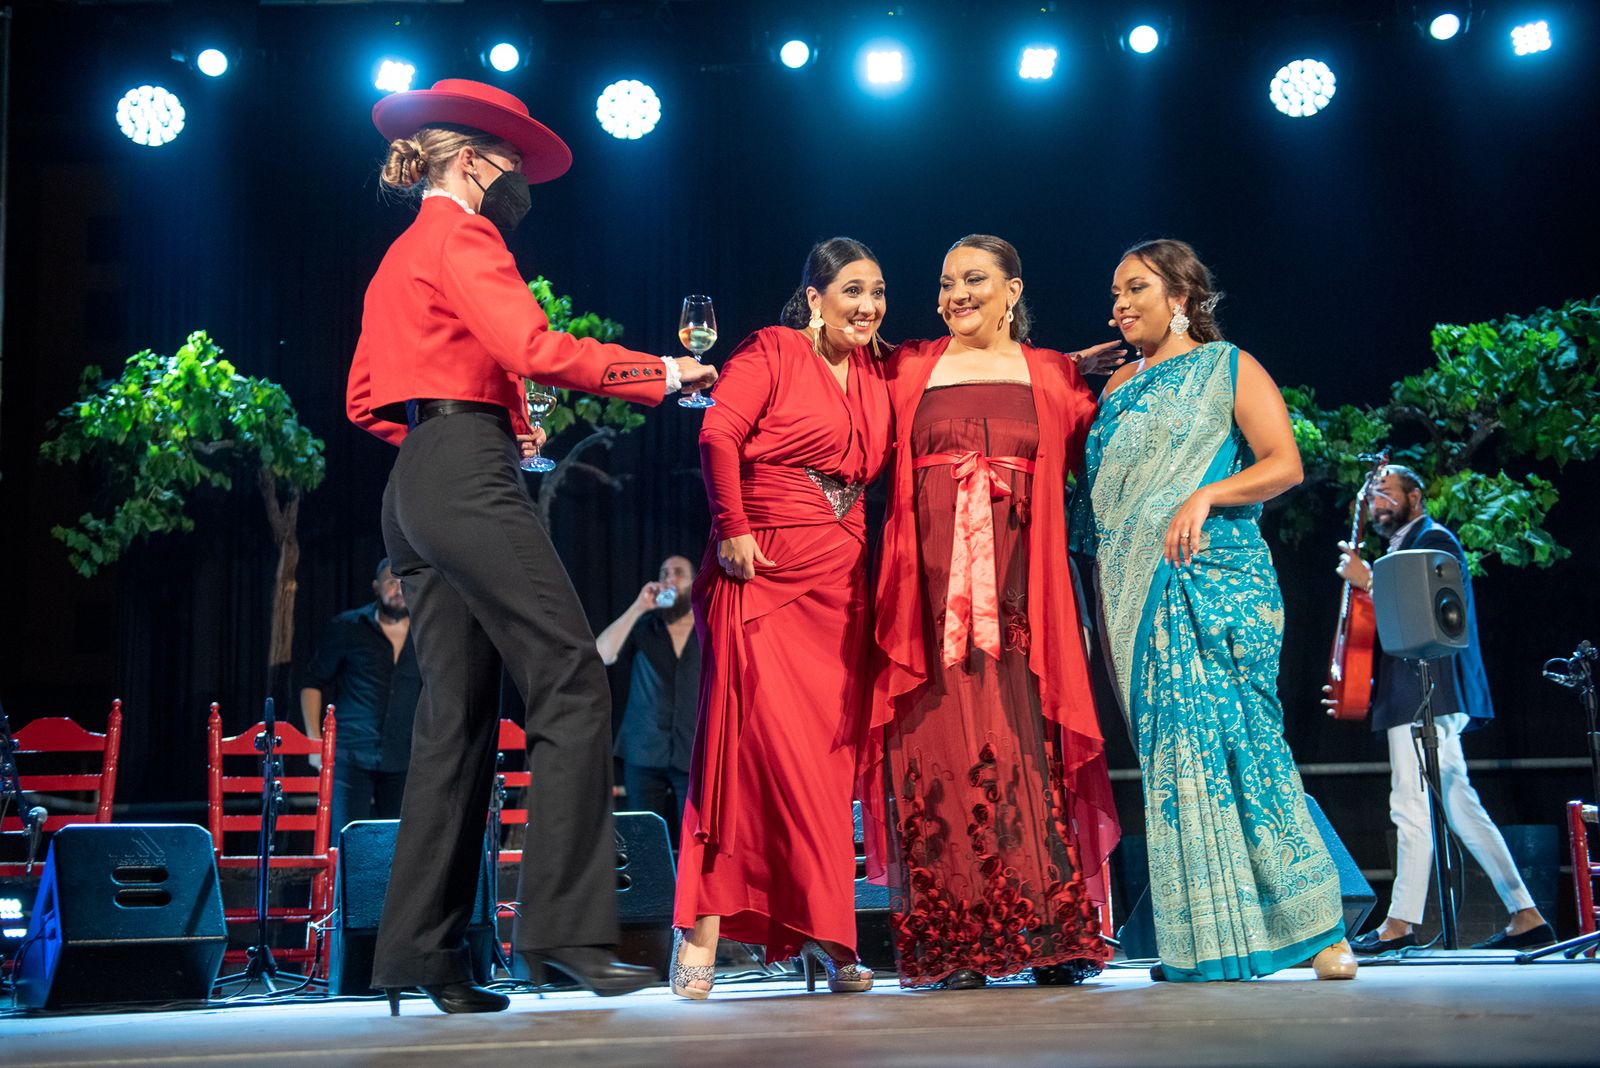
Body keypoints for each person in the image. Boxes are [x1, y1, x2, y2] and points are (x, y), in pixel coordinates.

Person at [347, 78, 715, 1015]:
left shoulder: (398, 254)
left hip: (415, 487)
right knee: (572, 680)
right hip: (464, 475)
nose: (519, 180)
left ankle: (422, 955)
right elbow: (535, 344)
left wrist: (465, 435)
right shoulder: (468, 235)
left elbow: (363, 398)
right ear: (470, 159)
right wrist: (660, 372)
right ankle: (563, 931)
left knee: (454, 718)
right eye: (508, 163)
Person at [1069, 238, 1357, 982]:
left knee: (1249, 748)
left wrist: (1206, 492)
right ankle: (1202, 940)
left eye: (1136, 288)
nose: (1121, 304)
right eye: (1115, 293)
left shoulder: (1230, 366)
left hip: (1217, 582)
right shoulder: (1114, 390)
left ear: (1181, 296)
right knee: (1173, 764)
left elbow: (1283, 464)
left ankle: (1320, 929)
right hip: (1135, 597)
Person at [866, 235, 1119, 990]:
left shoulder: (1056, 376)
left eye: (973, 280)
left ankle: (1047, 933)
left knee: (1024, 752)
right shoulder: (907, 365)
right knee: (935, 754)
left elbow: (1111, 462)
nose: (955, 296)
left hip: (1020, 602)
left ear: (1013, 289)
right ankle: (954, 941)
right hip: (929, 600)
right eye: (945, 283)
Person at [670, 238, 893, 1000]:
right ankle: (700, 928)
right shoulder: (769, 349)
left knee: (828, 769)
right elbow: (717, 434)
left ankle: (832, 939)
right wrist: (731, 526)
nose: (868, 307)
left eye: (879, 294)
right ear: (815, 297)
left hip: (841, 583)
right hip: (762, 570)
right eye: (854, 291)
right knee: (747, 753)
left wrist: (1058, 365)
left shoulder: (875, 368)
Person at [1330, 465, 1554, 953]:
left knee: (1409, 805)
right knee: (1460, 806)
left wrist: (1366, 579)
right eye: (1371, 497)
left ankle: (1399, 924)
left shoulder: (1435, 540)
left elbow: (1429, 612)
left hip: (1428, 691)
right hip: (1413, 690)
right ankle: (1527, 914)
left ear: (1417, 496)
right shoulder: (1398, 547)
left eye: (1385, 492)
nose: (1376, 502)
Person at [300, 558, 419, 835]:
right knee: (345, 838)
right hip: (350, 754)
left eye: (404, 582)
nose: (398, 589)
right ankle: (342, 881)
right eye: (391, 582)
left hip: (404, 755)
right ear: (376, 587)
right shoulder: (349, 627)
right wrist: (314, 742)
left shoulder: (425, 633)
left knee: (399, 842)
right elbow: (312, 682)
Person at [595, 555, 700, 841]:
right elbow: (602, 654)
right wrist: (639, 607)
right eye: (664, 572)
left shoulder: (708, 628)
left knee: (693, 840)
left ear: (694, 582)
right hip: (644, 749)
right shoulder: (644, 627)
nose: (669, 579)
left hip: (692, 749)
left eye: (678, 573)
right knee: (643, 841)